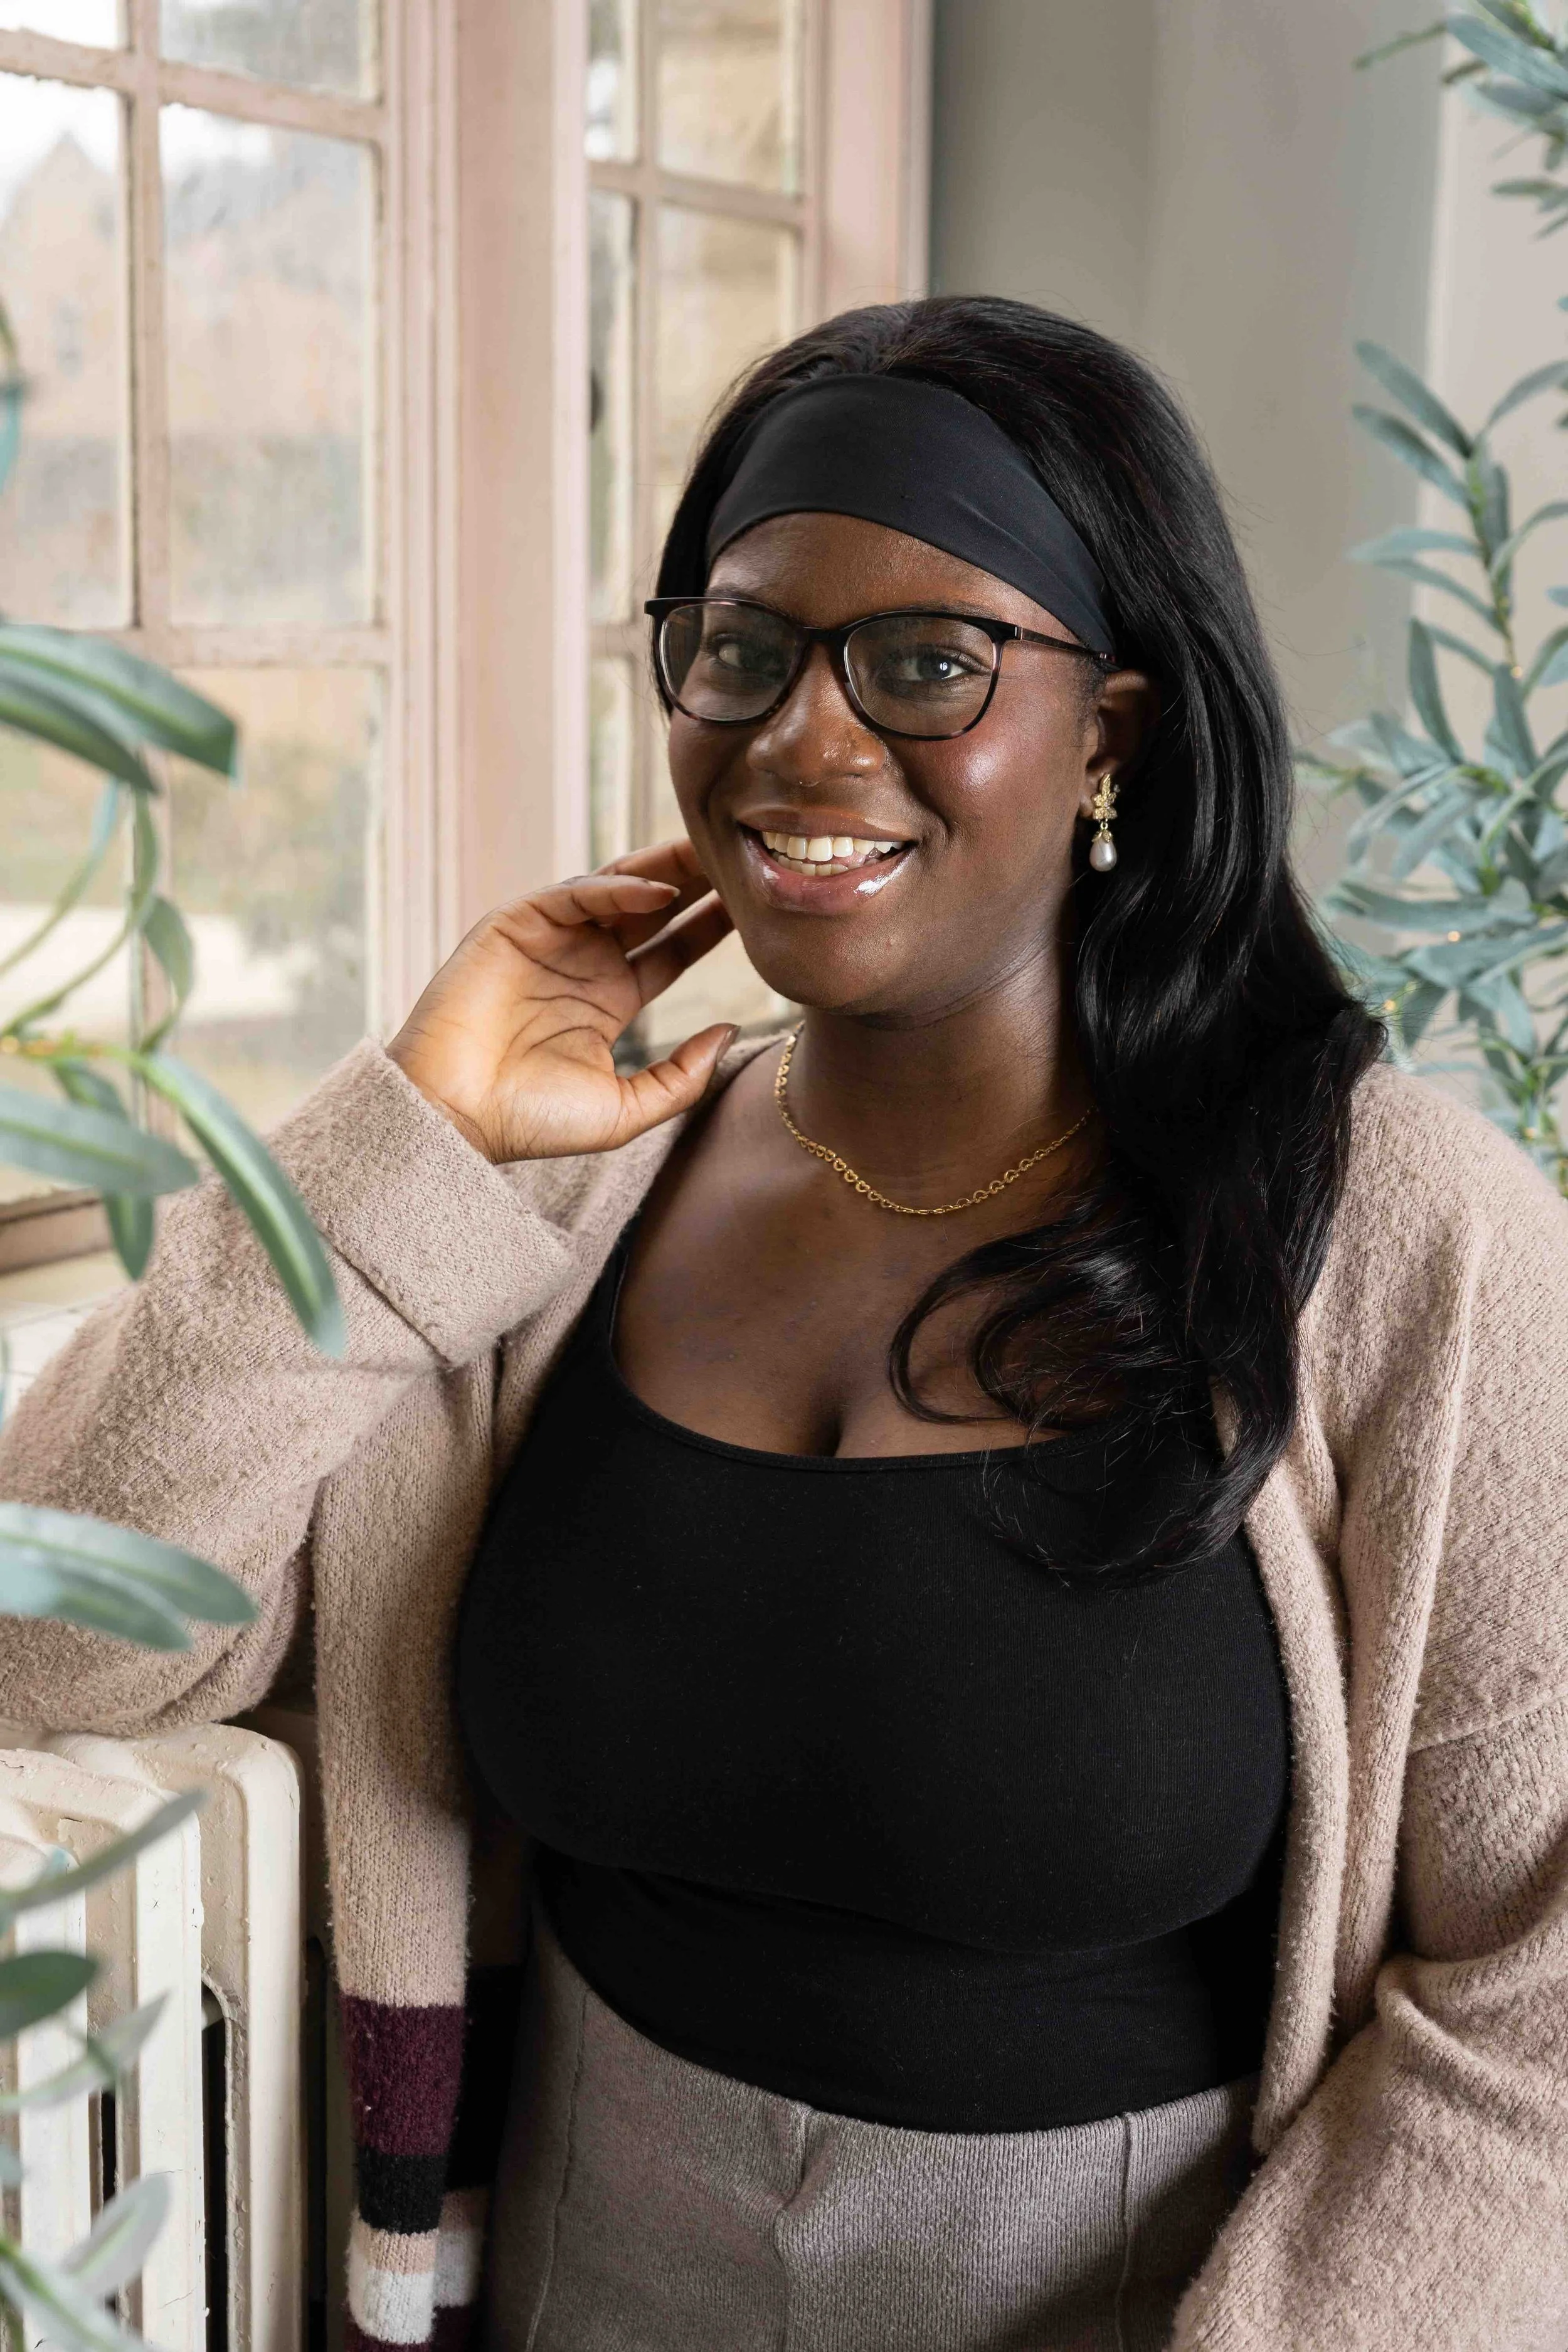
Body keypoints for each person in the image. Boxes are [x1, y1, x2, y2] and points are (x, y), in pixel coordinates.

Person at [3, 297, 1566, 2352]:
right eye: (740, 645)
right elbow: (53, 1639)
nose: (802, 741)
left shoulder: (1390, 1239)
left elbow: (1535, 1995)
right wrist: (398, 1152)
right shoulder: (541, 1207)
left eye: (926, 662)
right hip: (562, 2284)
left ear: (1110, 727)